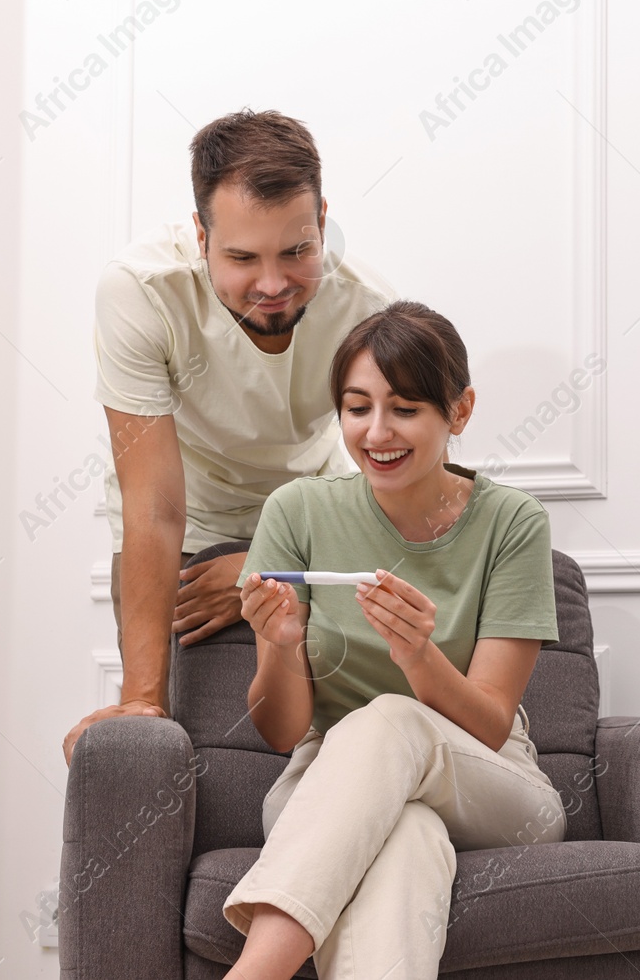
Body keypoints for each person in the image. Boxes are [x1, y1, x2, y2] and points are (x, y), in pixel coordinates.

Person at [220, 300, 567, 980]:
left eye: (404, 408)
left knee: (392, 717)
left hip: (490, 779)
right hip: (325, 784)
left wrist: (418, 656)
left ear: (458, 412)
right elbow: (284, 730)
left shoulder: (513, 523)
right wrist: (286, 644)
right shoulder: (297, 511)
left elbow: (493, 723)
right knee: (406, 836)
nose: (376, 431)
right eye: (357, 407)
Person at [62, 110, 395, 765]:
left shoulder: (369, 311)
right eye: (242, 257)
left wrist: (266, 566)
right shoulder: (140, 292)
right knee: (182, 744)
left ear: (322, 222)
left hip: (310, 526)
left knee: (327, 745)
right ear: (200, 235)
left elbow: (397, 498)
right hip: (182, 531)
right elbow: (153, 507)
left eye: (297, 251)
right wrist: (139, 709)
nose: (272, 285)